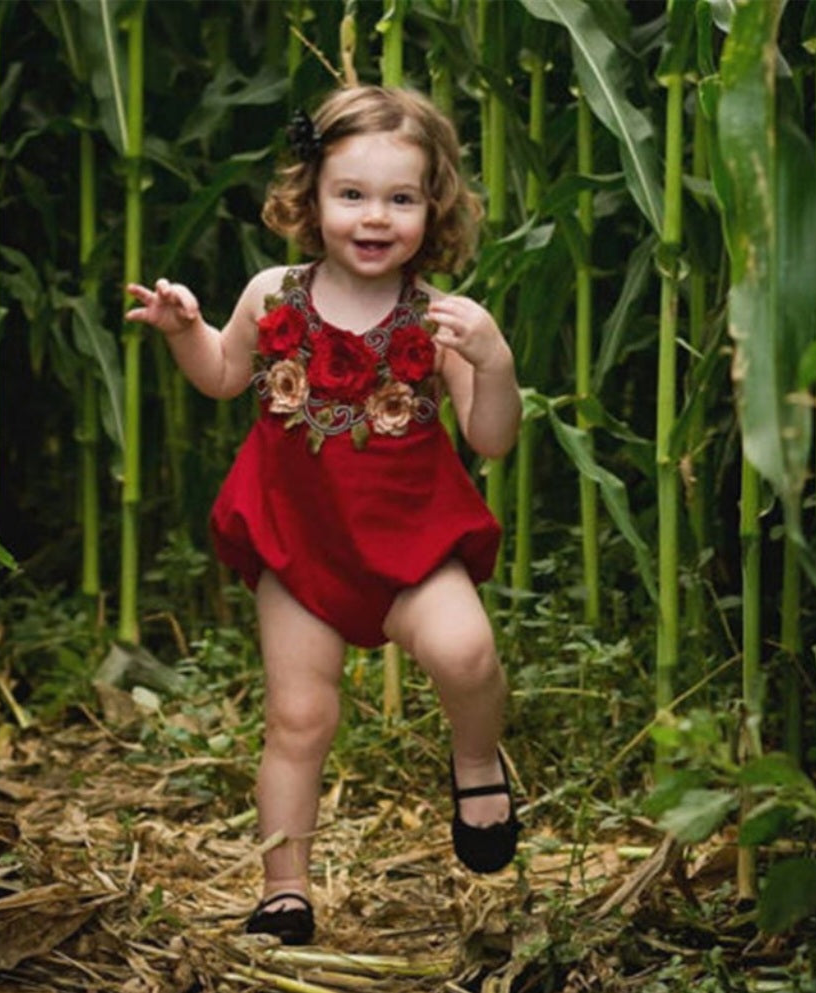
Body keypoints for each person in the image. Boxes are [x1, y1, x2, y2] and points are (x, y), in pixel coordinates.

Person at [126, 84, 522, 946]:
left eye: (401, 198)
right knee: (299, 717)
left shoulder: (439, 317)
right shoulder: (275, 295)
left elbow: (490, 440)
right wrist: (184, 329)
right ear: (309, 198)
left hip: (413, 542)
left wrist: (492, 360)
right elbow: (226, 375)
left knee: (466, 649)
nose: (375, 217)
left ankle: (478, 759)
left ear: (434, 207)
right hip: (300, 544)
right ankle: (285, 886)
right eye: (352, 195)